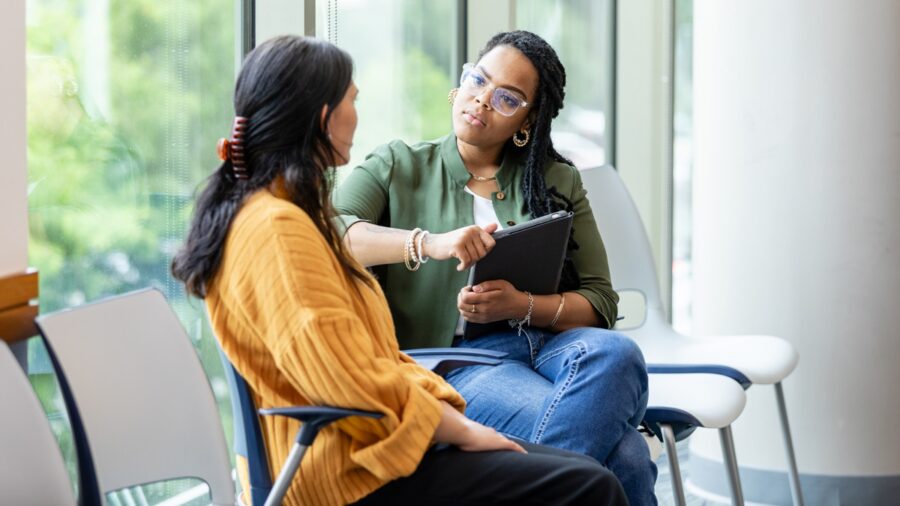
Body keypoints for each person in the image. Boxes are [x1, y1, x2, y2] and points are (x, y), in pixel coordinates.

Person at [171, 35, 627, 506]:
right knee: (602, 475)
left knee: (610, 400)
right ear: (324, 117)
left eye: (507, 97)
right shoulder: (280, 228)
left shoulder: (280, 217)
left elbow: (360, 363)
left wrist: (453, 413)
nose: (357, 113)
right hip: (354, 465)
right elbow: (345, 379)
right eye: (353, 99)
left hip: (376, 439)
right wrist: (460, 428)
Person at [333, 30, 657, 505]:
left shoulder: (556, 178)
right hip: (457, 362)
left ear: (527, 119)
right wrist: (431, 244)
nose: (482, 100)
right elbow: (333, 234)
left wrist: (521, 305)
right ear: (460, 81)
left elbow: (600, 301)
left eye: (507, 98)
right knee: (626, 452)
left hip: (551, 348)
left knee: (619, 355)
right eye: (478, 80)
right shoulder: (397, 165)